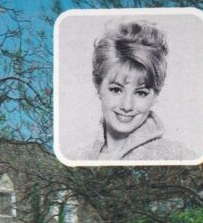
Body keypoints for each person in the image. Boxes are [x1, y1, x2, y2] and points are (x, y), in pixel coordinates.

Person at [79, 20, 190, 161]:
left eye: (141, 93)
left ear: (155, 96)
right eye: (116, 90)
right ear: (98, 86)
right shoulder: (78, 156)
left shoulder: (178, 156)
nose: (127, 106)